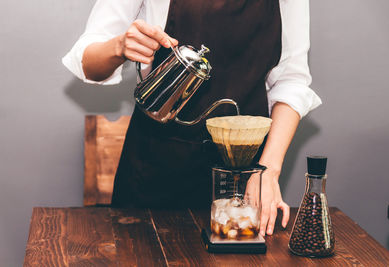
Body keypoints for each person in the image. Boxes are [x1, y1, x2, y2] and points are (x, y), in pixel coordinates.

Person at [63, 0, 321, 237]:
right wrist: (118, 46)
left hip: (244, 178)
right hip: (155, 172)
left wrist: (269, 170)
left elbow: (291, 81)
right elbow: (87, 60)